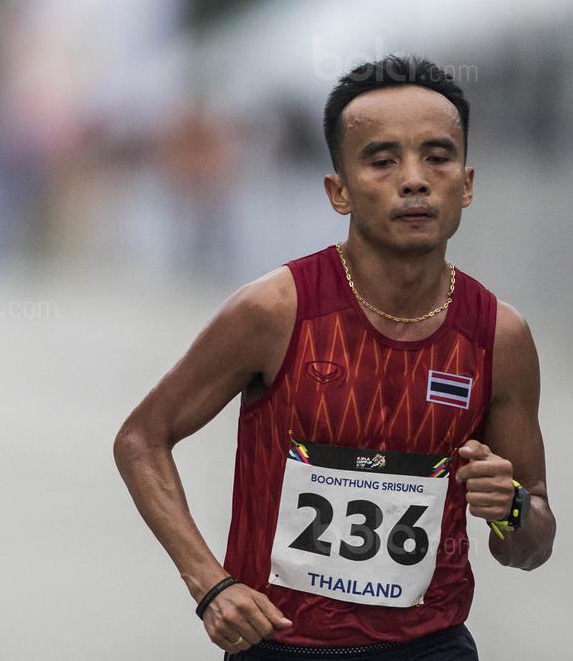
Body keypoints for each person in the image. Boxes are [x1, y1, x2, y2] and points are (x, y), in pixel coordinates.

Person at [114, 55, 555, 660]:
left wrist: (509, 508)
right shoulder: (275, 311)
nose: (415, 180)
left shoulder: (497, 335)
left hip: (432, 646)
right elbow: (141, 438)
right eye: (382, 161)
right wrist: (209, 583)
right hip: (284, 646)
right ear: (338, 192)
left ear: (468, 183)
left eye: (437, 157)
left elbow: (530, 544)